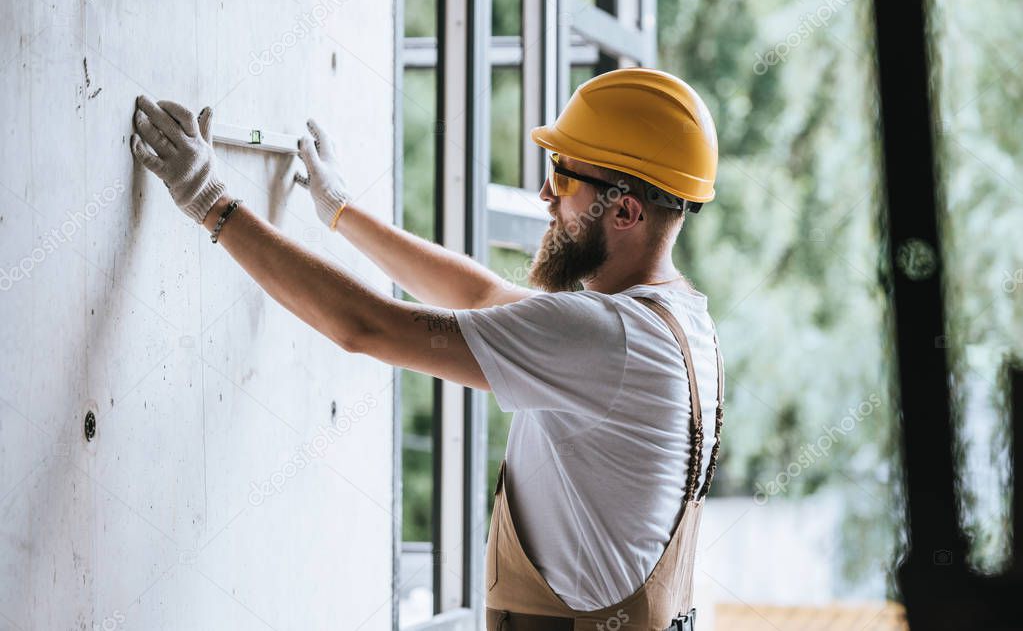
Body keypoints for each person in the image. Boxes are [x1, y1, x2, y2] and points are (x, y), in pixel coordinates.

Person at [130, 66, 723, 631]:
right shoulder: (680, 324)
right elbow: (480, 293)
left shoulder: (603, 335)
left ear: (624, 209)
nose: (546, 192)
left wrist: (210, 200)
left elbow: (368, 327)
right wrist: (342, 213)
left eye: (565, 178)